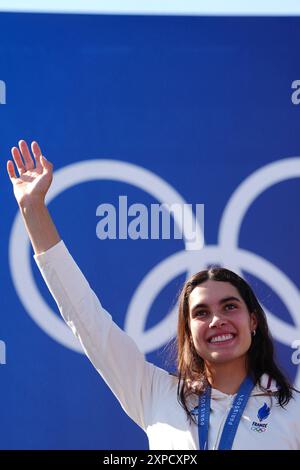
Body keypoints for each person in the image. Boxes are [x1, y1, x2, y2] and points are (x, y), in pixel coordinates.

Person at [7, 140, 300, 450]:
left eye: (229, 306)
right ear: (188, 331)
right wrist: (32, 208)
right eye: (201, 312)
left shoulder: (292, 411)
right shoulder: (153, 392)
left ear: (253, 320)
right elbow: (84, 315)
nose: (217, 320)